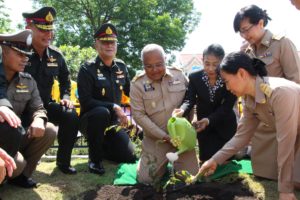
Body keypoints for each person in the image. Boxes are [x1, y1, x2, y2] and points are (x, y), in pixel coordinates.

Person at [198, 51, 300, 200]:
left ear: (241, 73)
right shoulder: (248, 99)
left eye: (226, 81)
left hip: (292, 138)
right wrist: (214, 160)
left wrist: (285, 190)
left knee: (290, 182)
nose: (227, 88)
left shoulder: (279, 93)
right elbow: (242, 136)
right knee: (295, 180)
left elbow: (286, 142)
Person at [233, 4, 300, 180]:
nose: (245, 36)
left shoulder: (282, 44)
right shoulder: (246, 52)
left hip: (282, 115)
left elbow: (296, 80)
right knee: (263, 174)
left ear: (261, 23)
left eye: (246, 30)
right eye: (241, 32)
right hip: (261, 120)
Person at [130, 44, 199, 184]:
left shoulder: (179, 75)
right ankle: (149, 162)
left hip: (182, 139)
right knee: (146, 180)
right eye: (149, 66)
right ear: (143, 65)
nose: (155, 70)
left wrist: (193, 122)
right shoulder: (137, 84)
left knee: (189, 178)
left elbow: (191, 101)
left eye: (159, 64)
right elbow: (139, 115)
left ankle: (176, 164)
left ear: (165, 59)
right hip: (156, 140)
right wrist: (164, 136)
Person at [22, 6, 79, 174]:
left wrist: (66, 96)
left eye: (50, 30)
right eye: (43, 30)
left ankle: (63, 162)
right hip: (20, 108)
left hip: (44, 106)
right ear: (29, 28)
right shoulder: (18, 52)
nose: (48, 35)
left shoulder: (56, 55)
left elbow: (65, 78)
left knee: (70, 114)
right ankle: (21, 163)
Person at [77, 23, 136, 175]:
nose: (109, 45)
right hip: (91, 121)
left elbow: (132, 93)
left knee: (129, 156)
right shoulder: (87, 69)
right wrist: (114, 107)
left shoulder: (121, 67)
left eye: (112, 42)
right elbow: (86, 101)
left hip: (113, 123)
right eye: (104, 42)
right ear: (96, 44)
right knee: (102, 112)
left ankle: (102, 148)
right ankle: (94, 160)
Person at [0, 30, 56, 188]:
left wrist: (39, 118)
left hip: (15, 137)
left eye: (27, 55)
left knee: (50, 129)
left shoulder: (28, 81)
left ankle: (21, 177)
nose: (25, 59)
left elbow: (38, 107)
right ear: (4, 51)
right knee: (17, 163)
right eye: (20, 54)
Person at [173, 44, 237, 162]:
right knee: (206, 160)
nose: (211, 69)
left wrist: (208, 120)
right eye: (207, 63)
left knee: (226, 163)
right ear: (202, 60)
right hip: (204, 130)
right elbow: (189, 100)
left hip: (225, 126)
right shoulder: (194, 77)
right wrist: (182, 110)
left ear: (222, 61)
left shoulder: (229, 77)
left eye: (215, 64)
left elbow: (227, 106)